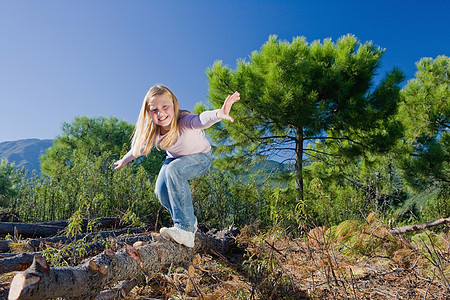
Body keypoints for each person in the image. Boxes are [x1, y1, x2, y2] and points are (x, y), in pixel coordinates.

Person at [114, 85, 240, 248]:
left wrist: (218, 114)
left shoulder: (184, 120)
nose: (161, 113)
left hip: (200, 158)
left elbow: (201, 119)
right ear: (148, 112)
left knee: (175, 171)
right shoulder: (154, 132)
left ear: (174, 105)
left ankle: (186, 230)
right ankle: (188, 221)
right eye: (154, 110)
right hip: (174, 160)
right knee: (160, 191)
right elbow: (138, 149)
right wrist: (124, 160)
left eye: (165, 107)